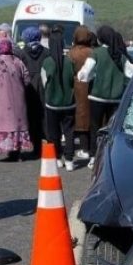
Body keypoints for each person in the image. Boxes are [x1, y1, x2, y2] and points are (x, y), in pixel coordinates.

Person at [77, 25, 133, 169]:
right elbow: (132, 73)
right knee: (112, 130)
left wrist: (86, 78)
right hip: (116, 99)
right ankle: (110, 156)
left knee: (95, 128)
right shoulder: (120, 56)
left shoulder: (96, 53)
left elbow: (85, 73)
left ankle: (93, 157)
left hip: (97, 98)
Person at [0, 38, 31, 161]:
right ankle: (17, 149)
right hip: (18, 98)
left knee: (3, 122)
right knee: (17, 123)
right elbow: (27, 79)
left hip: (0, 97)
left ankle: (8, 150)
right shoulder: (18, 61)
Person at [42, 30, 76, 171]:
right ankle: (70, 160)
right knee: (69, 133)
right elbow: (73, 80)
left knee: (53, 133)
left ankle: (57, 158)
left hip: (52, 104)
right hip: (69, 103)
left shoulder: (48, 62)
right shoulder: (69, 61)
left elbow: (44, 82)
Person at [15, 26, 50, 158]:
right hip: (43, 86)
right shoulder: (47, 52)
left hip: (27, 87)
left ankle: (35, 146)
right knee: (44, 116)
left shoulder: (21, 53)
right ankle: (48, 143)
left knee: (30, 117)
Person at [69, 26, 94, 161]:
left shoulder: (71, 53)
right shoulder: (92, 52)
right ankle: (90, 147)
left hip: (76, 87)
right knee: (90, 117)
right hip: (90, 87)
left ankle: (83, 147)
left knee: (79, 117)